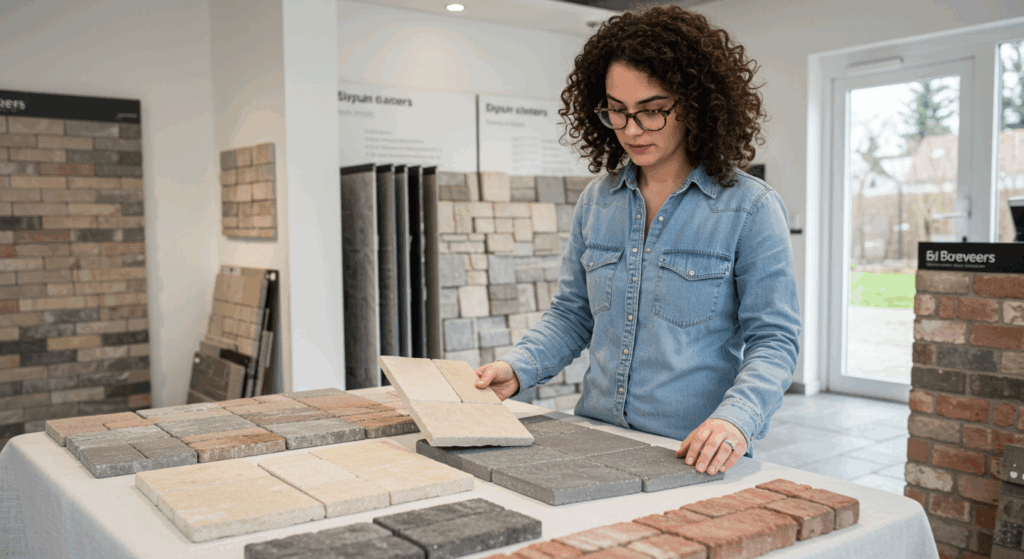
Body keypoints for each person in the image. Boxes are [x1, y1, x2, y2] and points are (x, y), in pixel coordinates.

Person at [473, 5, 800, 477]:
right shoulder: (597, 203)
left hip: (693, 452)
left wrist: (736, 420)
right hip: (596, 437)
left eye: (651, 111)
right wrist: (518, 367)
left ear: (694, 102)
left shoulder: (750, 208)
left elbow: (774, 339)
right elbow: (572, 314)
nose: (631, 130)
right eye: (617, 112)